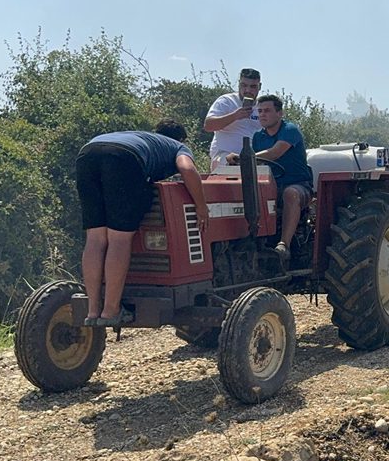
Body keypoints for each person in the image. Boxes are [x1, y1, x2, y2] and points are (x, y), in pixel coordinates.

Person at [76, 120, 209, 326]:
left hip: (87, 154)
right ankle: (111, 311)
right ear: (181, 139)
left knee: (95, 238)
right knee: (119, 238)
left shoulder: (144, 138)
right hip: (123, 158)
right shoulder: (178, 147)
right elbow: (187, 168)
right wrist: (201, 207)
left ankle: (93, 310)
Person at [225, 94, 311, 261]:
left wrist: (245, 157)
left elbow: (274, 153)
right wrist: (237, 161)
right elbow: (256, 163)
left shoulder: (289, 130)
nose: (263, 114)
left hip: (298, 185)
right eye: (260, 111)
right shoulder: (258, 136)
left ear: (280, 113)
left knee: (290, 194)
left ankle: (283, 245)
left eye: (267, 111)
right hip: (270, 186)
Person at [204, 68, 263, 170]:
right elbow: (208, 125)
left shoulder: (263, 107)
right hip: (225, 157)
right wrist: (234, 116)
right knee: (237, 166)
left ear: (259, 87)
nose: (248, 90)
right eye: (244, 85)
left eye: (253, 86)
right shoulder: (226, 101)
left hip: (253, 158)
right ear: (239, 84)